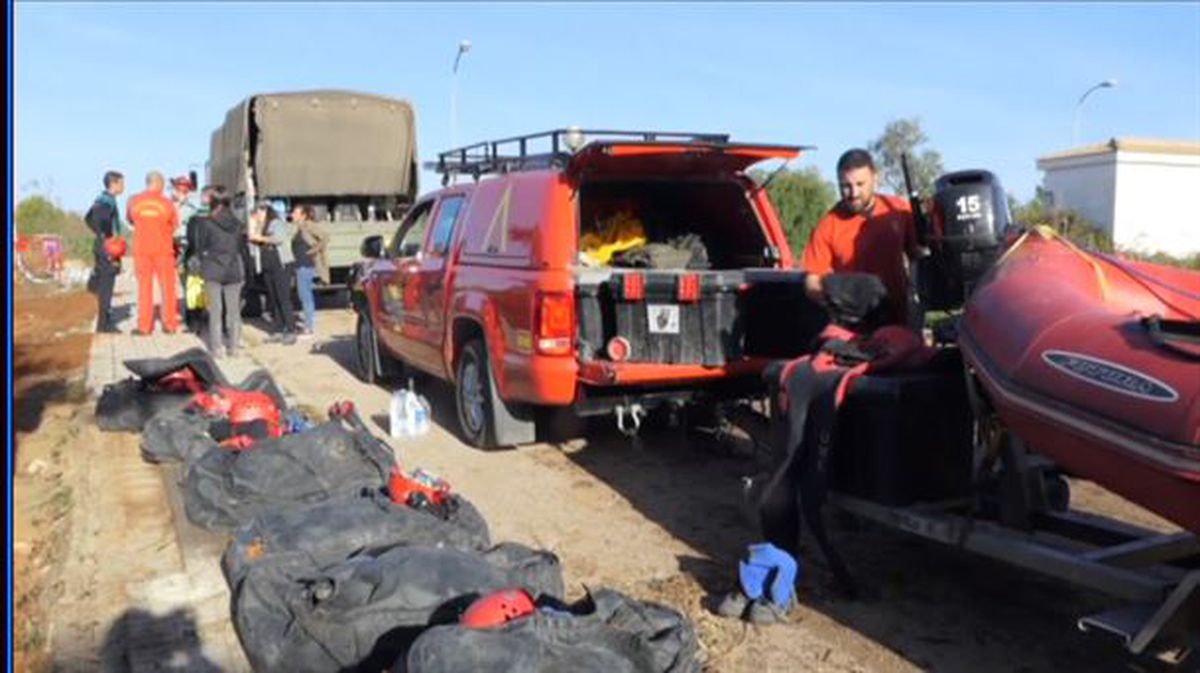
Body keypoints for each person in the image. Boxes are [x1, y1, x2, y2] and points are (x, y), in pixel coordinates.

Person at [801, 149, 920, 326]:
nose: (853, 193)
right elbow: (811, 282)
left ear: (875, 179)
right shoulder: (827, 225)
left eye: (860, 184)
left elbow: (919, 256)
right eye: (846, 186)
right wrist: (839, 302)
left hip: (900, 320)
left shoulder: (899, 210)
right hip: (854, 329)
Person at [193, 187, 246, 357]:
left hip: (213, 269)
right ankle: (234, 347)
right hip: (233, 269)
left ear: (213, 202)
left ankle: (217, 348)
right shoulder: (238, 224)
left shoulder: (206, 223)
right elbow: (240, 247)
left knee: (215, 311)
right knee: (234, 311)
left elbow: (201, 249)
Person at [126, 171, 181, 334]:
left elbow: (131, 220)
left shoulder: (134, 202)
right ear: (158, 183)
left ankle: (144, 327)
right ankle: (170, 324)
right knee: (168, 288)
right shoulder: (167, 203)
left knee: (144, 288)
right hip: (163, 250)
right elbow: (174, 225)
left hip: (141, 250)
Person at [248, 201, 297, 344]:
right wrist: (256, 238)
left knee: (283, 298)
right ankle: (278, 329)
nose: (256, 217)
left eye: (257, 214)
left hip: (281, 265)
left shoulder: (276, 223)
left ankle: (291, 329)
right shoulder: (261, 226)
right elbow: (262, 242)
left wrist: (260, 238)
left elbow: (279, 239)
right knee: (273, 298)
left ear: (263, 211)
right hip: (268, 266)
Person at [84, 170, 125, 333]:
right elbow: (102, 218)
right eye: (122, 183)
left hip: (101, 244)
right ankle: (104, 324)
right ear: (114, 183)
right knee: (107, 283)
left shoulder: (103, 199)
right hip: (107, 246)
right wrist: (108, 237)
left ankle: (104, 318)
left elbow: (87, 219)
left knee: (105, 279)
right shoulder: (105, 201)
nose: (124, 186)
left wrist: (98, 233)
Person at [290, 204, 330, 338]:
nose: (292, 214)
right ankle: (309, 323)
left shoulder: (309, 226)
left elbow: (325, 237)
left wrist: (313, 250)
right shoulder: (300, 228)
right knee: (305, 295)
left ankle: (309, 328)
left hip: (305, 266)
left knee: (305, 296)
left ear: (303, 215)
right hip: (300, 265)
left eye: (295, 212)